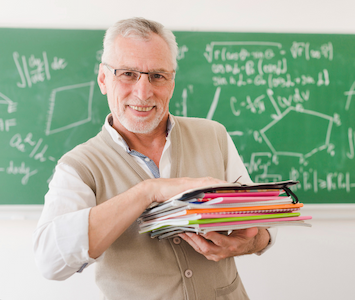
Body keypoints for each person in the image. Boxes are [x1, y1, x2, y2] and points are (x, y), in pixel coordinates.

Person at [33, 17, 276, 299]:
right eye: (127, 74)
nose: (143, 92)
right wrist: (148, 191)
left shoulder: (214, 135)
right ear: (103, 79)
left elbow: (264, 227)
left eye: (157, 76)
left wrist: (248, 243)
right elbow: (50, 262)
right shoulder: (79, 167)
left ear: (172, 82)